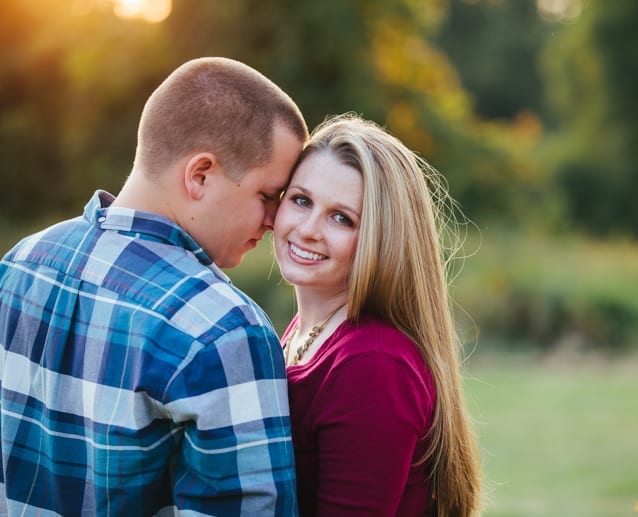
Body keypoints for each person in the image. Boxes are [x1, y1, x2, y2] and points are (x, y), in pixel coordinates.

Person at [0, 57, 307, 516]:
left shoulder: (22, 262)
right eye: (267, 195)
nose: (274, 220)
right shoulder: (225, 331)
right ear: (200, 174)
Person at [273, 113, 482, 516]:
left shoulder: (371, 363)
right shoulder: (307, 333)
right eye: (301, 200)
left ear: (380, 239)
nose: (309, 228)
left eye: (342, 218)